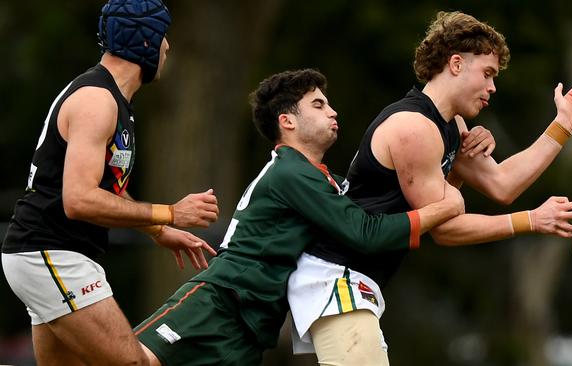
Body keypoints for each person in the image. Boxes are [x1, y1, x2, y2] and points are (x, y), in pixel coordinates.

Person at [287, 10, 572, 365]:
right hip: (335, 276)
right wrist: (532, 220)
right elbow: (445, 229)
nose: (492, 87)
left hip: (352, 280)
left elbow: (502, 184)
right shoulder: (414, 127)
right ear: (455, 64)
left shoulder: (450, 125)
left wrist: (562, 125)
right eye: (487, 73)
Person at [133, 68, 500, 365]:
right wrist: (443, 206)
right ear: (287, 122)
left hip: (252, 325)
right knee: (128, 359)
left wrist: (453, 166)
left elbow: (386, 209)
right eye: (319, 105)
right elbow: (366, 232)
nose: (333, 112)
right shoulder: (291, 172)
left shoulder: (324, 180)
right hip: (219, 302)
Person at [1, 0, 219, 364]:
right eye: (164, 37)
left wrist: (157, 229)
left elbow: (106, 189)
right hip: (51, 252)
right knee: (135, 362)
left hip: (49, 255)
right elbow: (79, 199)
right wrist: (170, 213)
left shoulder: (111, 99)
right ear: (147, 43)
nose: (168, 47)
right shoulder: (97, 101)